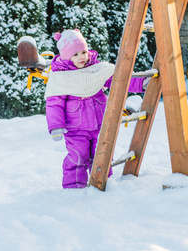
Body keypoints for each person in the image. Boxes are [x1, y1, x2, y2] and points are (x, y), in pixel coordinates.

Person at [45, 29, 146, 189]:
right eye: (75, 54)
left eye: (83, 52)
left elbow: (118, 81)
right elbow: (54, 103)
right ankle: (74, 187)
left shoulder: (97, 70)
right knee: (78, 156)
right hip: (75, 130)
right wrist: (56, 126)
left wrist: (141, 83)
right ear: (66, 56)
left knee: (103, 154)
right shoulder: (61, 77)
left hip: (101, 125)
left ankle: (102, 183)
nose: (81, 57)